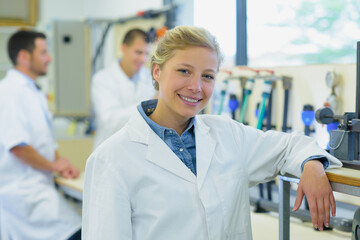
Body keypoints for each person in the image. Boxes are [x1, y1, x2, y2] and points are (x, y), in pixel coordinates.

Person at [82, 26, 342, 240]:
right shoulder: (111, 159)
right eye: (184, 71)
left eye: (207, 76)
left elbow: (290, 146)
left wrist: (313, 165)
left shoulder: (227, 135)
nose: (196, 86)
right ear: (157, 71)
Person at [0, 30, 81, 240]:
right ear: (24, 57)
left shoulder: (33, 92)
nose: (50, 59)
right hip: (23, 193)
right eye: (43, 52)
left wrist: (62, 164)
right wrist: (54, 166)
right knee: (78, 232)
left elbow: (44, 141)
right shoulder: (9, 92)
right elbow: (18, 146)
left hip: (38, 187)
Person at [91, 28, 157, 149]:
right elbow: (111, 122)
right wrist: (149, 105)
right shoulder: (103, 79)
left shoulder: (150, 78)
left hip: (139, 152)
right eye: (138, 52)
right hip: (110, 153)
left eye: (146, 54)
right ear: (124, 48)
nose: (143, 59)